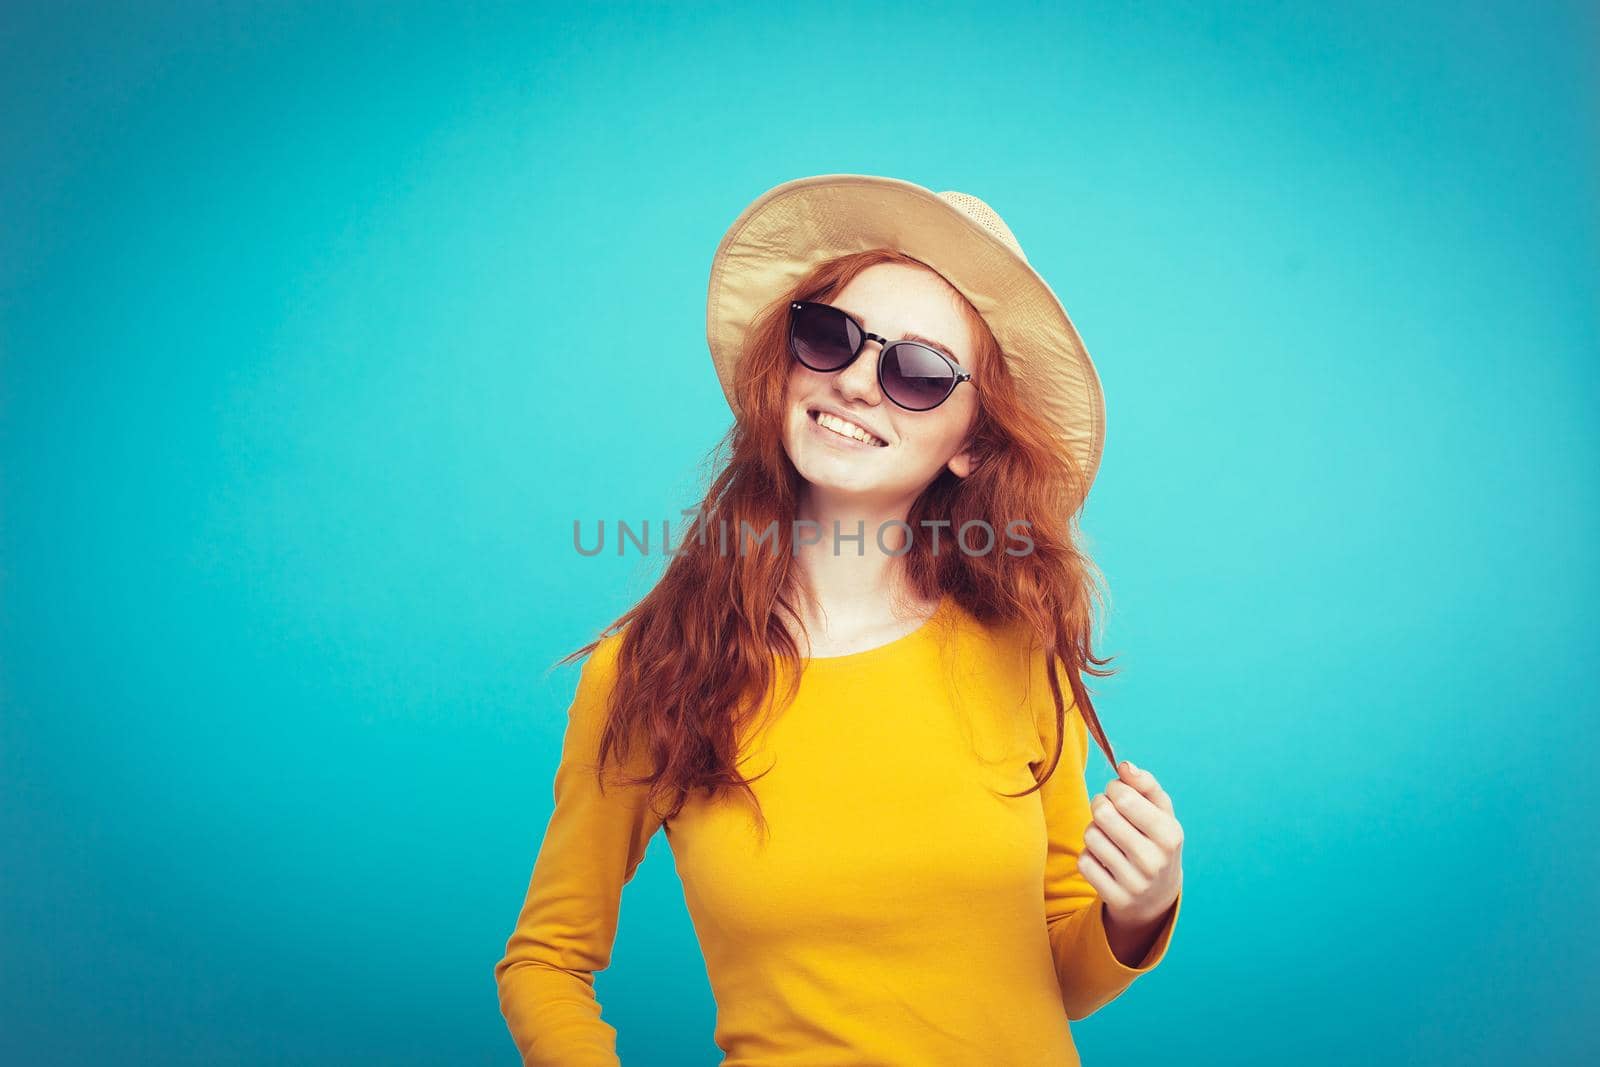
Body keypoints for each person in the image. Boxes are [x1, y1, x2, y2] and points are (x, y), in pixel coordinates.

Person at [494, 174, 1185, 1066]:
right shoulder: (655, 670)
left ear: (972, 442)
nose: (858, 382)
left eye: (920, 372)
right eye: (831, 338)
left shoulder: (1021, 645)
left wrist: (1138, 909)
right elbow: (546, 962)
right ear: (788, 365)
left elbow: (1053, 977)